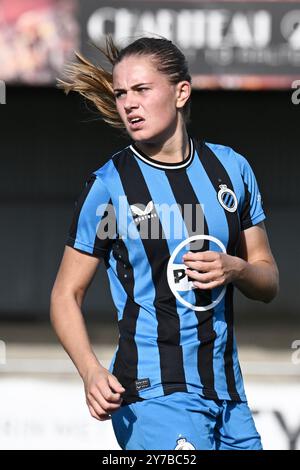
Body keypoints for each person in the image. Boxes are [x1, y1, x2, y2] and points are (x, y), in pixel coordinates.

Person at [50, 35, 279, 450]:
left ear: (181, 92)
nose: (128, 104)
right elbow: (66, 293)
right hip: (151, 394)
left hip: (229, 396)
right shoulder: (110, 187)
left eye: (141, 90)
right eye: (121, 94)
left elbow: (268, 281)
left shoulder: (231, 169)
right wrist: (90, 371)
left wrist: (237, 268)